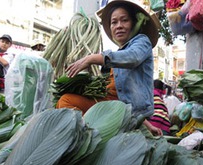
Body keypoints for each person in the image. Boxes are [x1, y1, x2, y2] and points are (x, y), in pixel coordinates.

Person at [56, 0, 162, 136]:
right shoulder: (119, 53)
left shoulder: (142, 42)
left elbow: (132, 57)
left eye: (124, 20)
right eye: (114, 22)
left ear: (135, 23)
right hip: (112, 106)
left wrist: (92, 58)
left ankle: (89, 137)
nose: (119, 26)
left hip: (124, 112)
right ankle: (87, 134)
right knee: (66, 100)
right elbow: (120, 96)